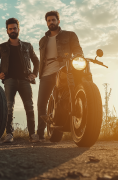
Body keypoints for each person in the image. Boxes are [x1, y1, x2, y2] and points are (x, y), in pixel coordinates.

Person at [36, 11, 83, 141]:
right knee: (41, 103)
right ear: (46, 23)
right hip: (46, 74)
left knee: (64, 100)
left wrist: (78, 59)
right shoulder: (42, 41)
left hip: (63, 71)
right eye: (49, 20)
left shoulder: (70, 35)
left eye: (53, 20)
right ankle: (40, 135)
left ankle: (70, 126)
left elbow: (78, 50)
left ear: (58, 21)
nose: (51, 22)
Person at [0, 18, 40, 143]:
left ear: (19, 29)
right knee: (8, 107)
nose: (13, 30)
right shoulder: (1, 47)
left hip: (25, 80)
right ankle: (9, 134)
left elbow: (36, 61)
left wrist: (34, 74)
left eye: (15, 28)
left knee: (29, 107)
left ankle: (32, 135)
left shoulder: (28, 46)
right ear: (7, 31)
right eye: (10, 29)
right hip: (9, 80)